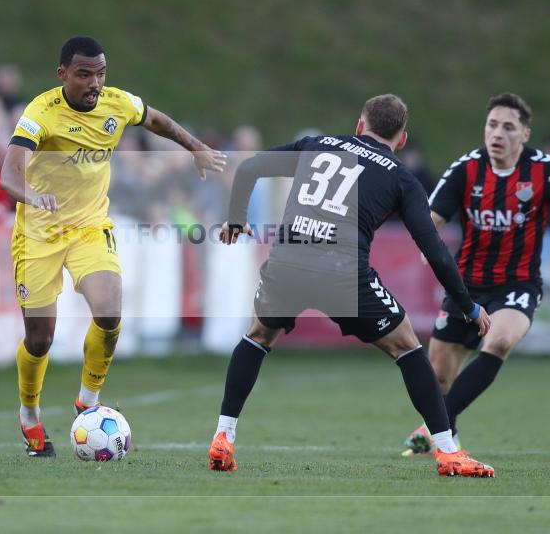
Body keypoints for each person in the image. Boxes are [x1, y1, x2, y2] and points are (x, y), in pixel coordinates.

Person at [209, 94, 495, 478]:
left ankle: (223, 437)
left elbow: (250, 168)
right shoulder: (400, 176)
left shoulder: (317, 144)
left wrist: (235, 218)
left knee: (258, 335)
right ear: (403, 139)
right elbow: (434, 249)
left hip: (287, 263)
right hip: (341, 273)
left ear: (360, 125)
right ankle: (448, 452)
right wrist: (466, 305)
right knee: (408, 346)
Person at [0, 35, 227, 457]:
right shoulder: (40, 113)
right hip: (39, 235)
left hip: (88, 226)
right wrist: (32, 196)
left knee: (109, 310)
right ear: (63, 74)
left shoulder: (116, 103)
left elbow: (155, 120)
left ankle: (87, 399)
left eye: (101, 73)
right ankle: (29, 413)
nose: (95, 83)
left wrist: (194, 147)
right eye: (84, 74)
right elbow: (8, 174)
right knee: (39, 338)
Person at [402, 93, 550, 456]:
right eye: (492, 125)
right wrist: (427, 247)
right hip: (466, 286)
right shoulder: (466, 169)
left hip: (517, 284)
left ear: (524, 134)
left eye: (508, 127)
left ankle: (436, 427)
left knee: (500, 341)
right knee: (439, 377)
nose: (497, 133)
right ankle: (446, 436)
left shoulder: (547, 170)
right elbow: (429, 220)